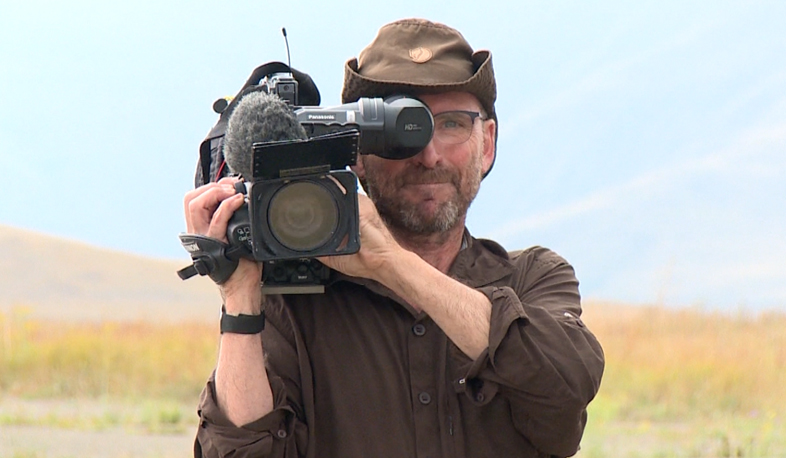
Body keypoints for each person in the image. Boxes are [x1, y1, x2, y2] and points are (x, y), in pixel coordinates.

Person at [184, 18, 604, 458]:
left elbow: (566, 388)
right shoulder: (295, 302)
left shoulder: (533, 278)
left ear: (487, 144)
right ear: (357, 154)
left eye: (452, 124)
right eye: (402, 132)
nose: (429, 155)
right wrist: (240, 297)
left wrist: (391, 262)